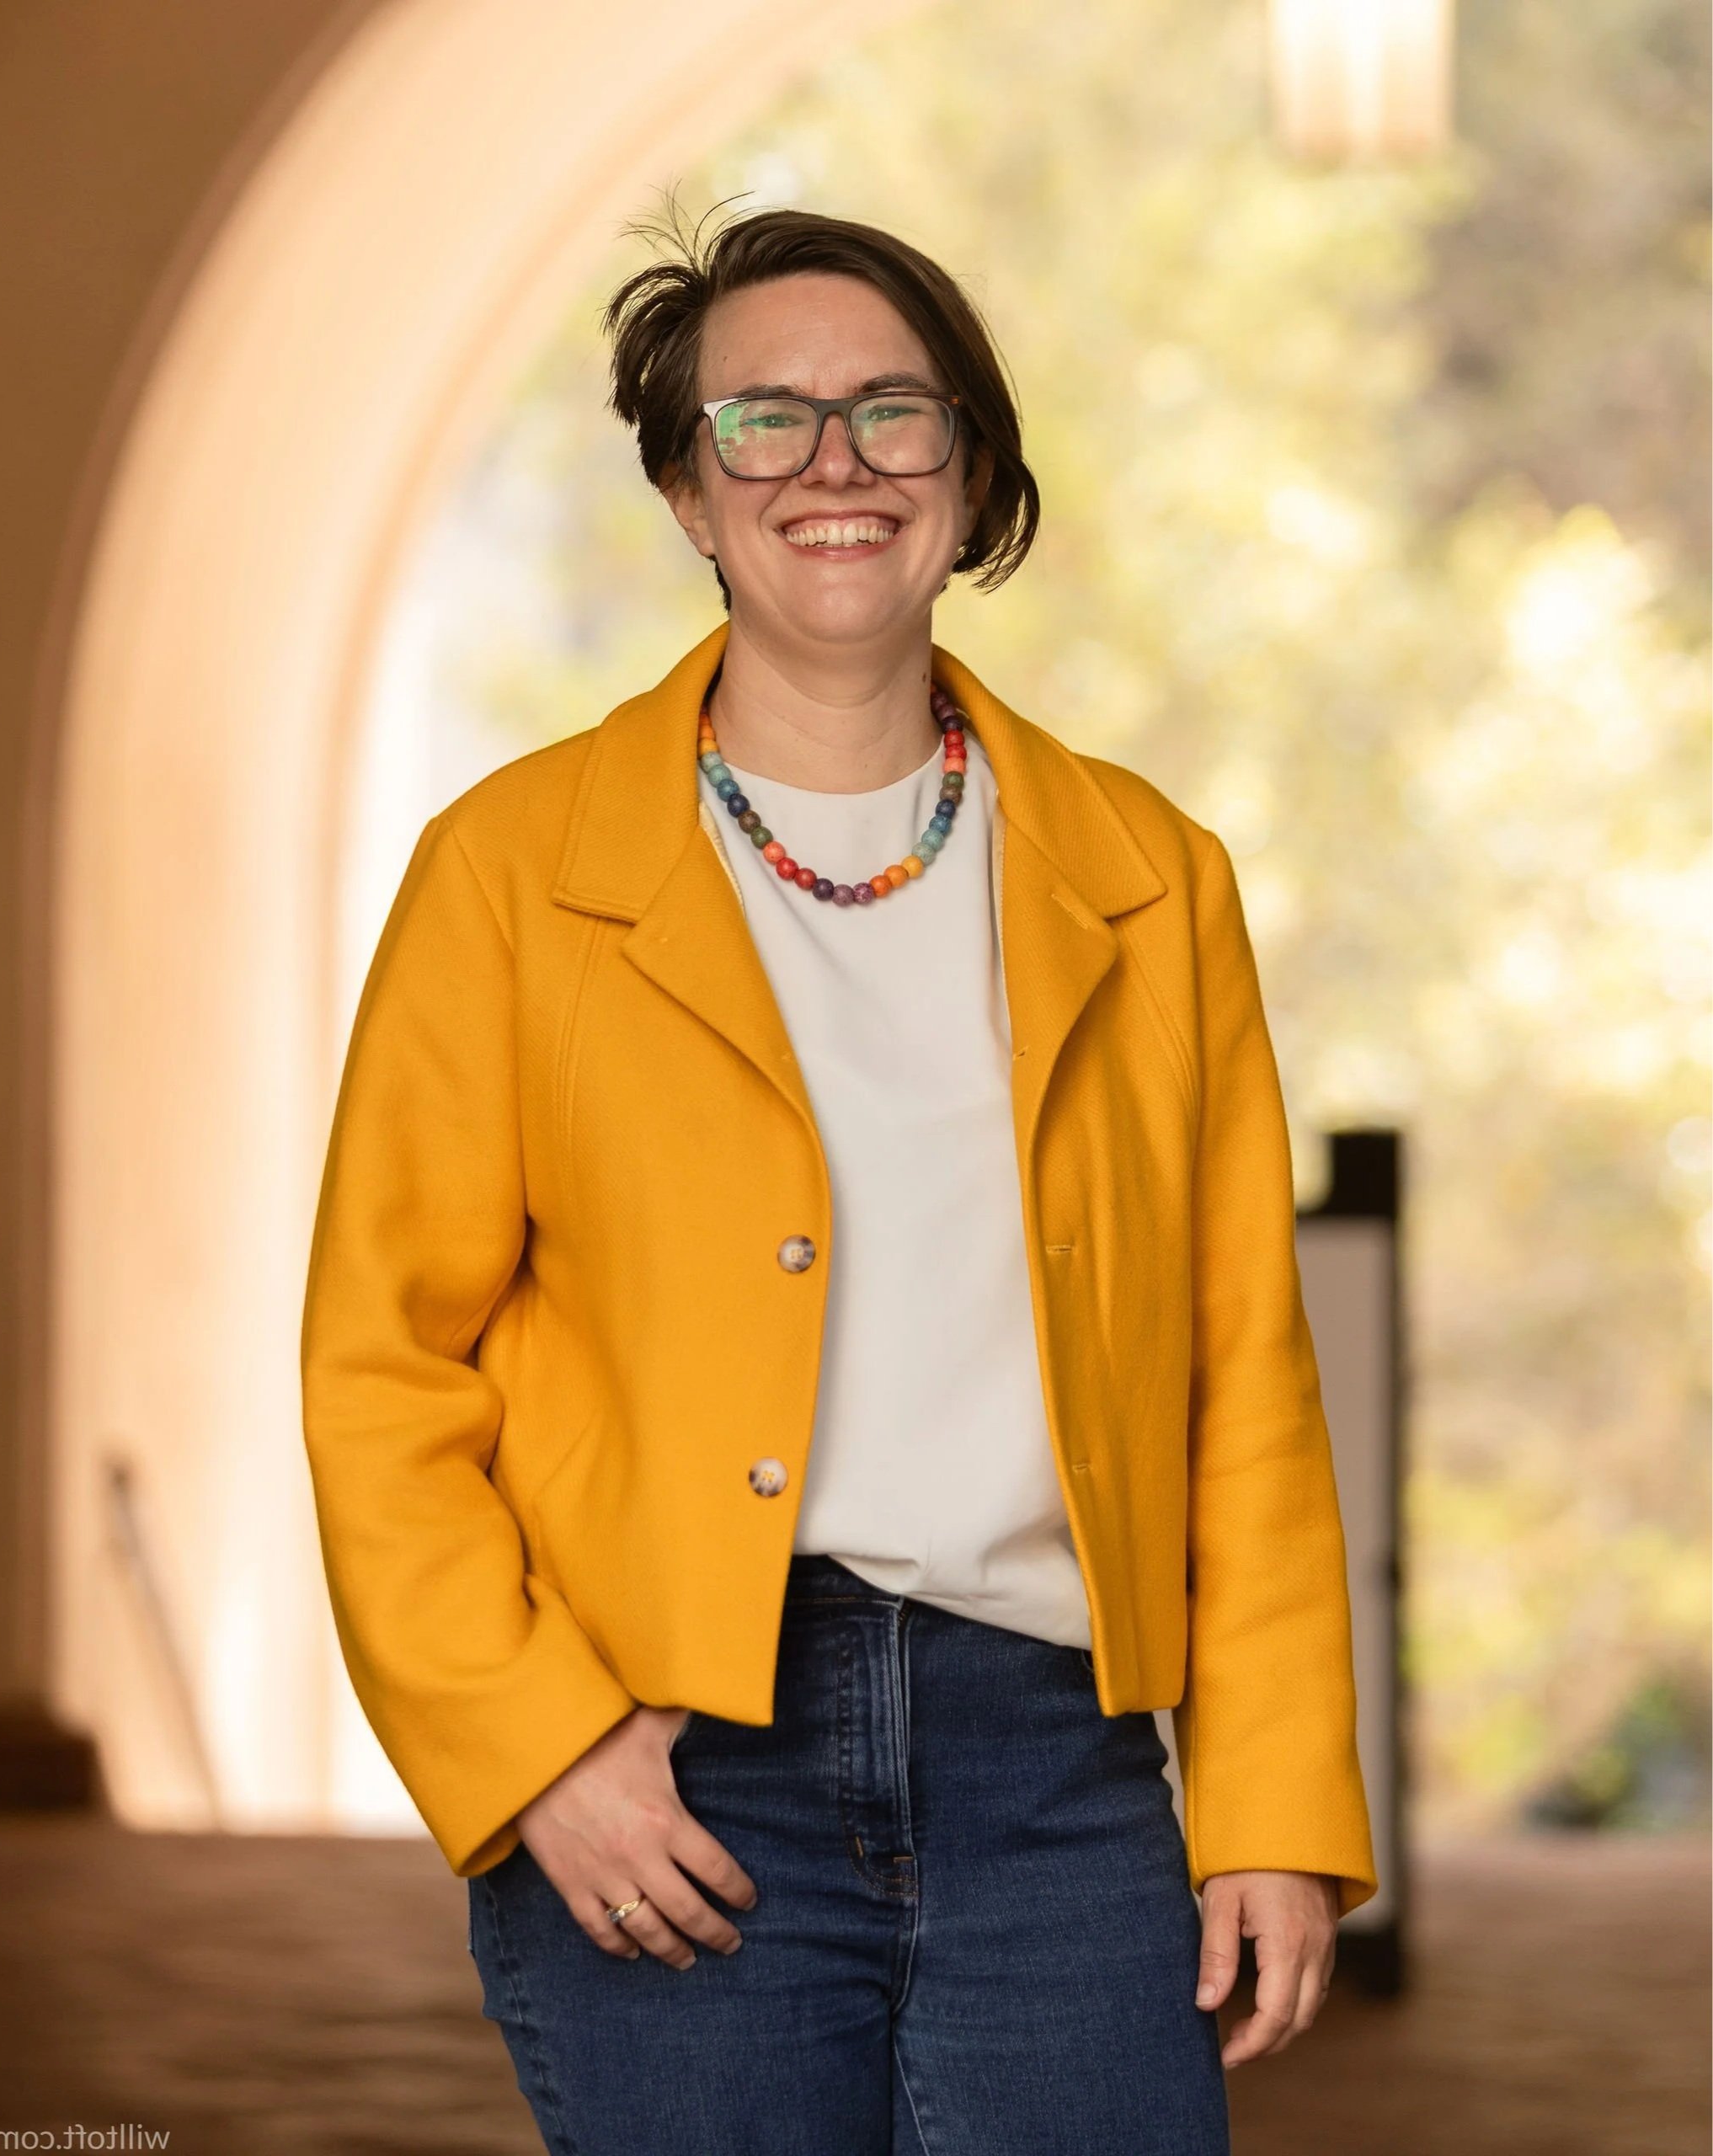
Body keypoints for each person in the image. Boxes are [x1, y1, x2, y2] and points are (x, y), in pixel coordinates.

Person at [300, 199, 1378, 2156]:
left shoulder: (1154, 881)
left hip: (1057, 1765)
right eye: (763, 421)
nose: (833, 466)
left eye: (896, 414)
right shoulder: (506, 877)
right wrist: (533, 1744)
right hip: (678, 1766)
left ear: (972, 478)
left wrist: (1278, 1801)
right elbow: (384, 1372)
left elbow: (1245, 1386)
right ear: (684, 489)